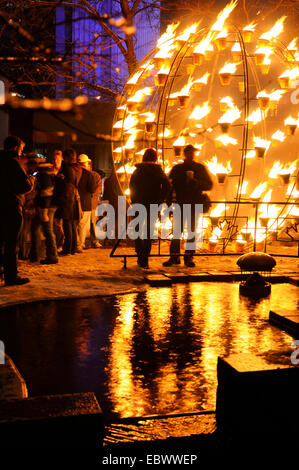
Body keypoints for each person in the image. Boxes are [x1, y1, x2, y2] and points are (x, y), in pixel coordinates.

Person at [163, 144, 213, 268]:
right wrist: (168, 202)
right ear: (185, 154)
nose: (191, 155)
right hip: (181, 203)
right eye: (189, 153)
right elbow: (170, 187)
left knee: (191, 232)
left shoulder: (200, 168)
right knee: (177, 231)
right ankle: (174, 257)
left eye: (192, 153)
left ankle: (188, 257)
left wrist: (196, 183)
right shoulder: (177, 169)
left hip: (194, 203)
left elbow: (209, 185)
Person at [0, 135, 34, 285]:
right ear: (16, 148)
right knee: (11, 243)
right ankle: (11, 276)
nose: (21, 152)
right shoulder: (14, 163)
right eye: (21, 148)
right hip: (11, 206)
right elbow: (23, 186)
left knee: (0, 241)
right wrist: (31, 180)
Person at [129, 148, 171, 268]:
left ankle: (139, 254)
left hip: (138, 203)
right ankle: (145, 258)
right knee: (148, 231)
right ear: (155, 158)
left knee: (137, 229)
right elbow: (167, 185)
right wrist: (160, 198)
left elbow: (132, 186)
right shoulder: (157, 171)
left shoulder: (138, 171)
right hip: (152, 204)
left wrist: (134, 199)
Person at [30, 160, 58, 264]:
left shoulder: (44, 175)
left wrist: (44, 209)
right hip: (44, 206)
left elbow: (46, 192)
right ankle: (34, 254)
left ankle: (52, 256)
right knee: (36, 229)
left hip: (46, 207)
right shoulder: (48, 174)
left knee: (48, 230)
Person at [55, 148, 82, 255]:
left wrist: (57, 179)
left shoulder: (65, 168)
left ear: (65, 158)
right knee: (72, 224)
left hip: (66, 198)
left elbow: (61, 183)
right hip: (73, 197)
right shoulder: (77, 168)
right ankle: (73, 248)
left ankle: (67, 249)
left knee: (67, 224)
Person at [76, 154, 98, 251]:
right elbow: (92, 189)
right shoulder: (89, 174)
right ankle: (80, 244)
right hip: (86, 203)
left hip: (75, 202)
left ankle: (77, 243)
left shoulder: (74, 172)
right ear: (86, 163)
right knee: (83, 225)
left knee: (77, 225)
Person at [89, 166, 104, 249]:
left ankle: (94, 241)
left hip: (92, 203)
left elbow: (99, 189)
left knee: (92, 222)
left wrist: (90, 194)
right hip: (84, 202)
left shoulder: (95, 176)